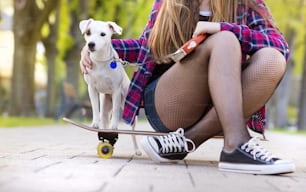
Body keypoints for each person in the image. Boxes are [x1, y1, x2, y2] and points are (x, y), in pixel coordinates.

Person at [80, 0, 295, 175]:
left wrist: (222, 27)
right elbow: (145, 46)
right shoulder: (169, 2)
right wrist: (99, 48)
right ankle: (237, 142)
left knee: (272, 59)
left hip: (227, 105)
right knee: (225, 41)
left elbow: (280, 45)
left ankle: (191, 141)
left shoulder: (244, 3)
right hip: (172, 101)